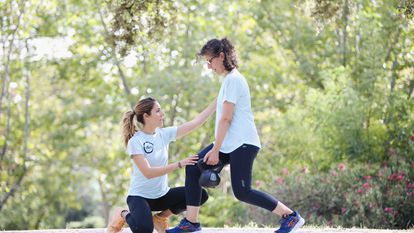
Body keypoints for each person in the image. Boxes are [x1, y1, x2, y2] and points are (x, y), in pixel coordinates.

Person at [166, 38, 305, 233]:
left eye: (210, 61)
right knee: (193, 167)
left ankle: (290, 217)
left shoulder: (233, 80)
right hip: (230, 144)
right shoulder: (228, 82)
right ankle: (191, 222)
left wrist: (215, 151)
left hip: (243, 144)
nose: (208, 66)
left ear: (221, 56)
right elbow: (218, 114)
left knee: (242, 192)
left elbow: (226, 119)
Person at [107, 97, 216, 233]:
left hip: (162, 195)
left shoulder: (164, 134)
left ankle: (160, 218)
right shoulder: (135, 142)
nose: (162, 114)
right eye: (158, 111)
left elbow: (195, 122)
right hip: (140, 197)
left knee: (201, 195)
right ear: (146, 116)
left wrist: (216, 102)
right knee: (144, 230)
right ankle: (122, 213)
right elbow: (148, 173)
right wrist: (179, 164)